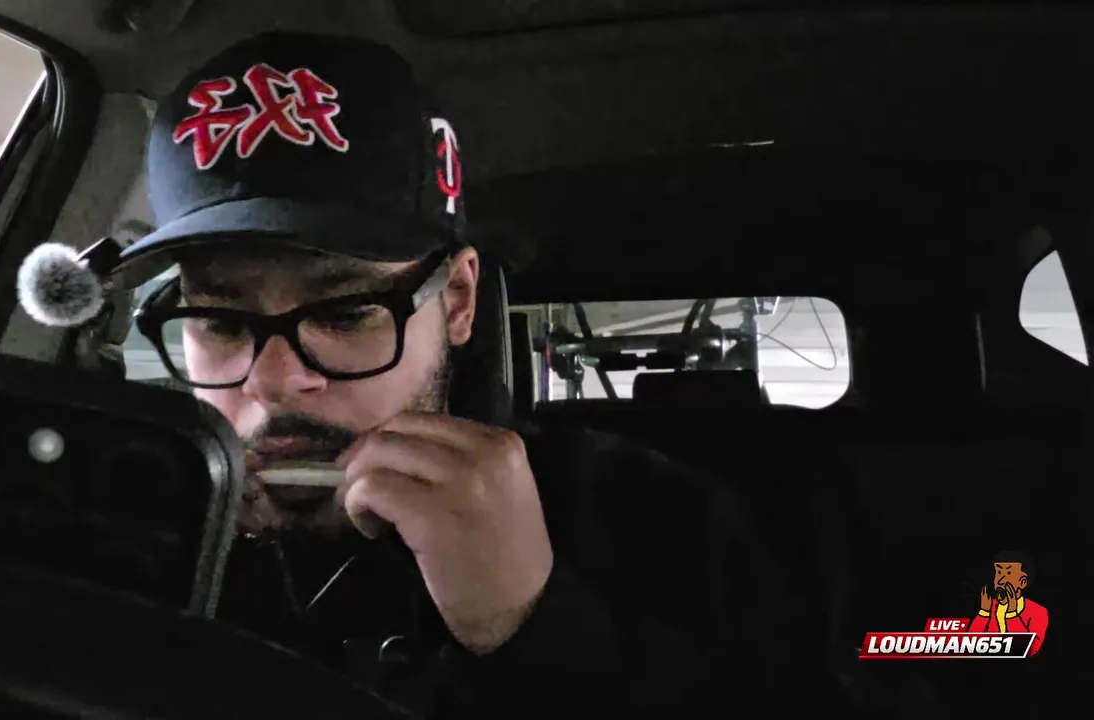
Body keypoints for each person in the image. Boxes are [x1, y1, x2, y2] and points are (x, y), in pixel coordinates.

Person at [116, 31, 800, 717]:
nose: (269, 382)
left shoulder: (664, 528)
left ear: (457, 301)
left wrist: (533, 625)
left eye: (345, 314)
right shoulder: (126, 516)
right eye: (220, 323)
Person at [970, 551, 1049, 656]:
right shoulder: (990, 607)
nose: (1000, 581)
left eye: (1008, 574)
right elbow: (970, 644)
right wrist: (984, 613)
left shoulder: (1038, 612)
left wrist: (1012, 614)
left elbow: (1029, 650)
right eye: (999, 572)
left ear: (1023, 582)